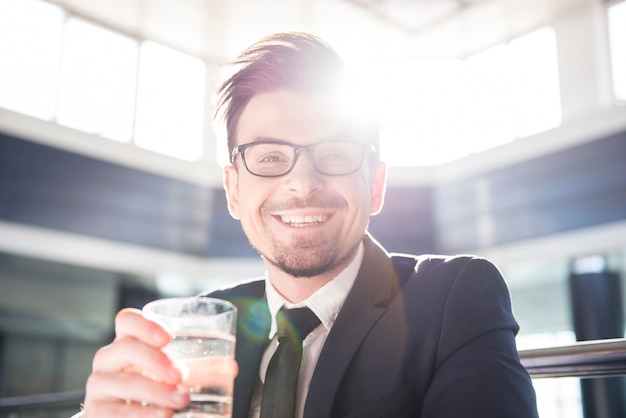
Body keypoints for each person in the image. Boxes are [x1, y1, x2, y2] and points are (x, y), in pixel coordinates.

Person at [78, 32, 539, 418]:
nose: (302, 183)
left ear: (375, 186)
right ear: (234, 191)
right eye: (270, 157)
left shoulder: (454, 297)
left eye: (335, 154)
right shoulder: (205, 326)